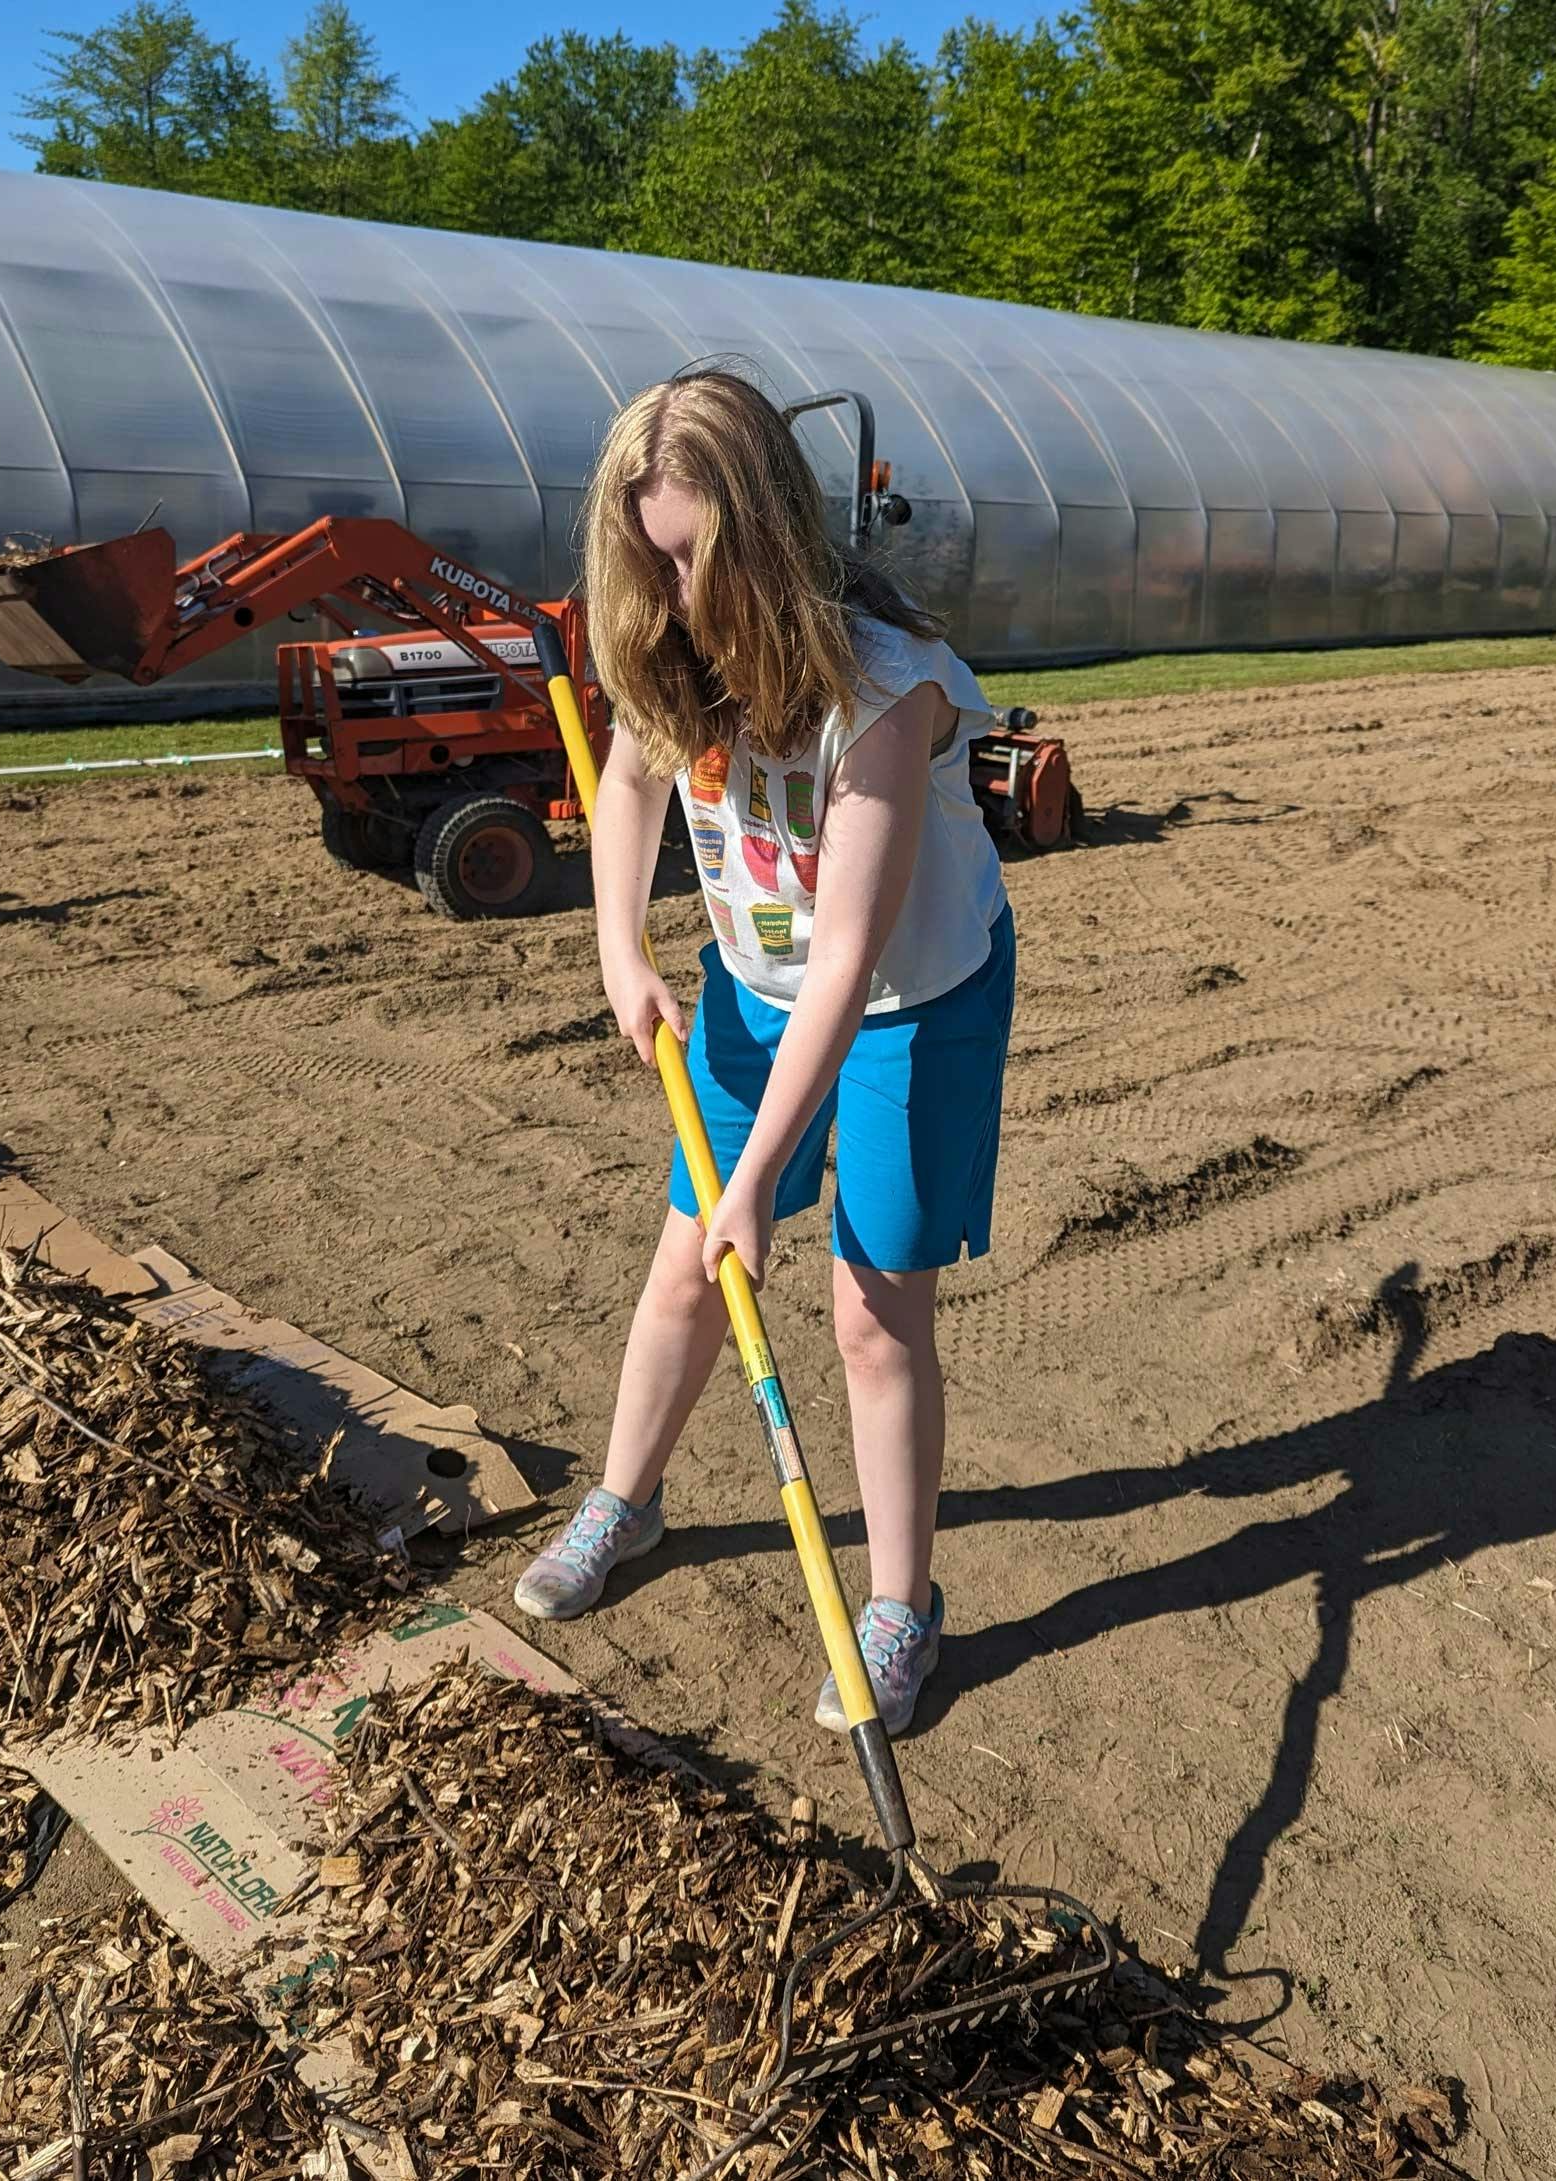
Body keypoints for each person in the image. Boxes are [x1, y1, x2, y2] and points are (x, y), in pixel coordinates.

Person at [511, 366, 1015, 1737]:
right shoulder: (672, 652)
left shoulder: (887, 690)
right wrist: (622, 948)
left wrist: (763, 1177)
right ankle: (630, 1499)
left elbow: (849, 960)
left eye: (691, 559)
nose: (669, 595)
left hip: (915, 996)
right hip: (752, 986)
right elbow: (625, 777)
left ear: (764, 539)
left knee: (871, 1308)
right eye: (649, 562)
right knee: (689, 1259)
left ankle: (903, 1604)